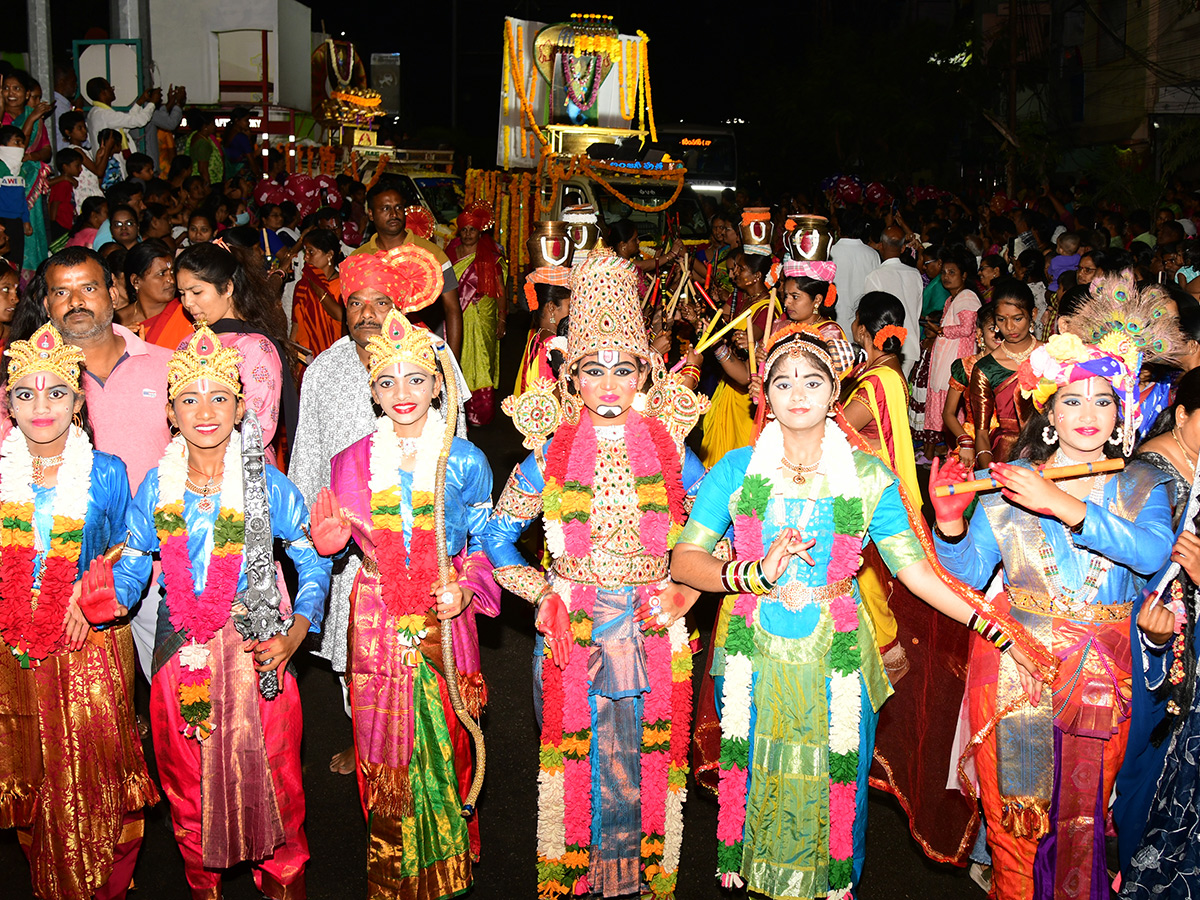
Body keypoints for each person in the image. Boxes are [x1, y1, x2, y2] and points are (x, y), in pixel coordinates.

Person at [668, 323, 1030, 899]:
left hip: (836, 662)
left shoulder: (867, 478)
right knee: (755, 775)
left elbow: (920, 576)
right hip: (752, 653)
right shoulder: (737, 470)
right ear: (764, 392)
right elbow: (685, 559)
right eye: (783, 382)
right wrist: (749, 574)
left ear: (835, 392)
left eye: (812, 380)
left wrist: (998, 629)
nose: (798, 393)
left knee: (837, 789)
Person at [930, 272, 1181, 900]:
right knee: (1016, 826)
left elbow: (1152, 555)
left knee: (1084, 820)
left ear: (1120, 410)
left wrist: (1064, 505)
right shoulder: (1011, 480)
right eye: (1072, 400)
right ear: (1049, 408)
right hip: (1015, 666)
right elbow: (961, 578)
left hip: (1103, 674)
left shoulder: (1142, 484)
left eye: (1102, 400)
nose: (1087, 414)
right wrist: (952, 526)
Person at [482, 247, 707, 899]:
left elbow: (716, 533)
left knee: (645, 771)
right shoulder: (549, 453)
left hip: (651, 630)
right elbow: (497, 540)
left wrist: (686, 586)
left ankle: (634, 887)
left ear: (646, 371)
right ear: (569, 375)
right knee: (576, 775)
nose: (609, 385)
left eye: (624, 369)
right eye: (593, 370)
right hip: (570, 631)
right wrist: (543, 589)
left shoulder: (672, 450)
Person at [111, 324, 330, 900]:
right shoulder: (155, 489)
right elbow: (133, 568)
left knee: (277, 787)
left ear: (240, 409)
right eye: (188, 399)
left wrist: (298, 630)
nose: (204, 411)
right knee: (188, 789)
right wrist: (99, 593)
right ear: (170, 413)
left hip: (261, 655)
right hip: (180, 657)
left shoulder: (272, 487)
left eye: (218, 398)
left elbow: (312, 564)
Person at [309, 305, 497, 898]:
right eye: (387, 382)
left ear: (439, 383)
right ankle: (392, 867)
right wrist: (326, 546)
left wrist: (467, 586)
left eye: (416, 378)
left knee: (448, 733)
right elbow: (325, 550)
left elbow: (486, 546)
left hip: (445, 611)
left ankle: (448, 863)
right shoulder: (348, 463)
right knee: (381, 745)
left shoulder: (464, 460)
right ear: (372, 392)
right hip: (377, 614)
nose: (402, 393)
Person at [0, 322, 159, 900]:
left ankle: (108, 886)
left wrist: (87, 589)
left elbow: (129, 550)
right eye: (25, 393)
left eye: (56, 392)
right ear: (8, 404)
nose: (41, 407)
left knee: (97, 778)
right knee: (31, 778)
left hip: (88, 646)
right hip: (13, 648)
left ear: (77, 401)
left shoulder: (108, 470)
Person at [289, 244, 456, 776]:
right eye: (355, 303)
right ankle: (369, 746)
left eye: (379, 302)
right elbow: (309, 455)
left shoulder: (435, 356)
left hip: (423, 541)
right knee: (353, 656)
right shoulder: (323, 370)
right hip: (352, 550)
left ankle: (426, 749)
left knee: (426, 655)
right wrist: (307, 535)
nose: (366, 314)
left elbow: (456, 443)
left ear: (399, 304)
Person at [174, 241, 297, 464]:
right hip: (191, 464)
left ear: (228, 287)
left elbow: (259, 428)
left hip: (244, 466)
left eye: (196, 291)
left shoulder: (256, 347)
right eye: (182, 293)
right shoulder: (187, 344)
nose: (187, 302)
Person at [354, 183, 462, 357]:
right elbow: (352, 314)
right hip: (375, 353)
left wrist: (453, 363)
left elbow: (453, 310)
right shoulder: (359, 258)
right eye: (385, 208)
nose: (394, 214)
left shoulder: (432, 254)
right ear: (371, 214)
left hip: (422, 351)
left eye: (398, 207)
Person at [917, 246, 981, 458]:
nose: (946, 277)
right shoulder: (951, 299)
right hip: (946, 356)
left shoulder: (967, 298)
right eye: (944, 272)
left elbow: (967, 328)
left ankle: (960, 452)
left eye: (952, 273)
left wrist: (941, 330)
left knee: (954, 407)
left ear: (964, 275)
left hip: (958, 358)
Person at [446, 201, 506, 426]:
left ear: (479, 231)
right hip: (457, 314)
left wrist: (501, 317)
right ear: (459, 231)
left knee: (482, 359)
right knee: (458, 357)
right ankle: (459, 410)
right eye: (464, 229)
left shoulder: (489, 255)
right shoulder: (451, 252)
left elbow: (500, 288)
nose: (468, 233)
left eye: (472, 229)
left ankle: (481, 413)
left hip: (484, 316)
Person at [969, 280, 1040, 466]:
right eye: (1001, 319)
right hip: (1006, 456)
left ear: (1033, 314)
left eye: (1018, 318)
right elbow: (982, 434)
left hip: (1049, 450)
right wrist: (989, 477)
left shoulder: (1052, 354)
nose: (1009, 327)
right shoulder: (986, 368)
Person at [943, 304, 1002, 468]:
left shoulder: (1017, 366)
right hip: (973, 437)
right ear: (979, 333)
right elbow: (948, 413)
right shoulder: (966, 366)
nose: (998, 334)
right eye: (992, 329)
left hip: (1007, 439)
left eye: (1002, 328)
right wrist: (965, 441)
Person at [862, 225, 924, 369]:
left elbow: (870, 317)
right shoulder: (915, 274)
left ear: (881, 246)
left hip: (883, 346)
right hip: (910, 345)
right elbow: (917, 310)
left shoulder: (875, 276)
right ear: (903, 248)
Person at [121, 238, 191, 348]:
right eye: (162, 274)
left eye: (172, 272)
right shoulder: (118, 322)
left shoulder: (188, 311)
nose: (171, 280)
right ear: (136, 281)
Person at [289, 226, 343, 366]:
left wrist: (318, 288)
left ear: (329, 255)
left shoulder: (344, 285)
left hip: (337, 358)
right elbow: (296, 326)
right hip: (307, 361)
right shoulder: (302, 286)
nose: (306, 257)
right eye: (305, 251)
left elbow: (341, 316)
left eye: (311, 252)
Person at [84, 78, 158, 163]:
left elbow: (126, 124)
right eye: (110, 88)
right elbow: (140, 120)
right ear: (103, 92)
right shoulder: (104, 115)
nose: (112, 90)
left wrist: (140, 102)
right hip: (112, 164)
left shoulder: (96, 113)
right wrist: (152, 103)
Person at [830, 209, 881, 330]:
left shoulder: (830, 252)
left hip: (835, 322)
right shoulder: (872, 255)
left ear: (839, 228)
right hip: (862, 323)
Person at [57, 111, 108, 213]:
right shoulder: (76, 150)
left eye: (85, 127)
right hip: (85, 196)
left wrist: (99, 157)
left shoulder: (82, 150)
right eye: (79, 128)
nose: (84, 131)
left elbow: (94, 173)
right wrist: (108, 149)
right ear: (68, 132)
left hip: (91, 194)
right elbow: (99, 172)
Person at [1, 69, 52, 164]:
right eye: (6, 88)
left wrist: (30, 157)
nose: (10, 93)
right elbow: (16, 151)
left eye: (16, 88)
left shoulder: (34, 115)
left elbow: (47, 150)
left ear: (27, 94)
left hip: (33, 172)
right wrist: (31, 119)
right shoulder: (1, 116)